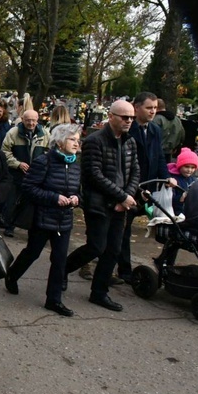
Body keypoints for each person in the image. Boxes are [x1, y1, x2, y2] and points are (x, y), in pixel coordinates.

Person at [64, 99, 139, 312]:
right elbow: (93, 175)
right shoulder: (95, 141)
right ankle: (62, 270)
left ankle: (99, 292)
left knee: (113, 250)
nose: (129, 121)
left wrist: (127, 197)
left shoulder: (130, 142)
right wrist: (120, 197)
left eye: (132, 117)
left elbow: (135, 171)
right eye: (125, 117)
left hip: (120, 204)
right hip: (98, 204)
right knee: (96, 246)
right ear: (112, 116)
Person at [4, 124, 82, 317]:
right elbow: (29, 188)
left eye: (78, 140)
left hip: (64, 219)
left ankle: (53, 300)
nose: (77, 143)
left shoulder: (75, 165)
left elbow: (79, 191)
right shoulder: (44, 162)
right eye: (72, 139)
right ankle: (12, 275)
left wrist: (77, 199)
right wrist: (53, 198)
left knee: (60, 258)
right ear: (60, 142)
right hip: (42, 217)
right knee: (33, 252)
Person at [116, 92, 175, 284]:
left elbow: (158, 156)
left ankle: (165, 264)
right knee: (123, 228)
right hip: (128, 186)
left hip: (147, 187)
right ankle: (124, 270)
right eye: (149, 108)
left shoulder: (155, 130)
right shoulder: (127, 130)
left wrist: (165, 177)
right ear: (137, 107)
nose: (153, 111)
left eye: (155, 108)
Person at [1, 109, 49, 237]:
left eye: (34, 120)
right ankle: (9, 225)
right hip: (17, 173)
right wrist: (17, 164)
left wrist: (41, 165)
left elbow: (49, 151)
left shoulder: (44, 134)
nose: (31, 123)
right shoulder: (13, 133)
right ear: (22, 119)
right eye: (28, 120)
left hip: (35, 174)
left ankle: (31, 228)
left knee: (31, 202)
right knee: (13, 200)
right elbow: (5, 152)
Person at [167, 147, 198, 216]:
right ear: (180, 166)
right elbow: (168, 200)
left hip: (189, 213)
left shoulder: (193, 180)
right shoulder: (174, 180)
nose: (189, 170)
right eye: (187, 167)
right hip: (174, 213)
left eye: (192, 167)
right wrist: (181, 198)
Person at [153, 98, 185, 162]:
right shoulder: (177, 119)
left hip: (156, 151)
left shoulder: (156, 119)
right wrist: (177, 147)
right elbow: (182, 134)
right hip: (170, 151)